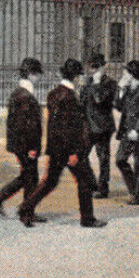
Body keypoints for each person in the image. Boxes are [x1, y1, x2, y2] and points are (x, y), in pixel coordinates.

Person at [18, 58, 105, 228]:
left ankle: (25, 207)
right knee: (85, 181)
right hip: (69, 149)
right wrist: (74, 152)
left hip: (56, 148)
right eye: (79, 76)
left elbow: (54, 127)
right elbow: (68, 129)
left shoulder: (54, 94)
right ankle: (87, 219)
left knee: (50, 182)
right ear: (75, 77)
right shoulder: (70, 97)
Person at [0, 57, 43, 217]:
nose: (38, 77)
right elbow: (27, 126)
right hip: (25, 144)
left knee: (28, 175)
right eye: (36, 74)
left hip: (19, 143)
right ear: (30, 74)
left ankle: (2, 198)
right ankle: (26, 212)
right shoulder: (25, 95)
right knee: (31, 176)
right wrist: (32, 147)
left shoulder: (19, 93)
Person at [114, 59, 139, 205]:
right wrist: (119, 90)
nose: (123, 77)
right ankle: (134, 189)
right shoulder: (127, 91)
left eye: (125, 74)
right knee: (120, 160)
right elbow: (118, 107)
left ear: (132, 75)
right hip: (127, 131)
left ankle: (138, 196)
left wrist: (137, 130)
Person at [79, 52, 118, 198]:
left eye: (96, 67)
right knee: (81, 156)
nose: (93, 71)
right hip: (89, 126)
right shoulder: (87, 82)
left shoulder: (110, 84)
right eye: (91, 67)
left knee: (103, 159)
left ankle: (103, 188)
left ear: (103, 67)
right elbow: (82, 103)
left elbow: (99, 99)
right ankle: (92, 184)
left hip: (103, 127)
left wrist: (96, 84)